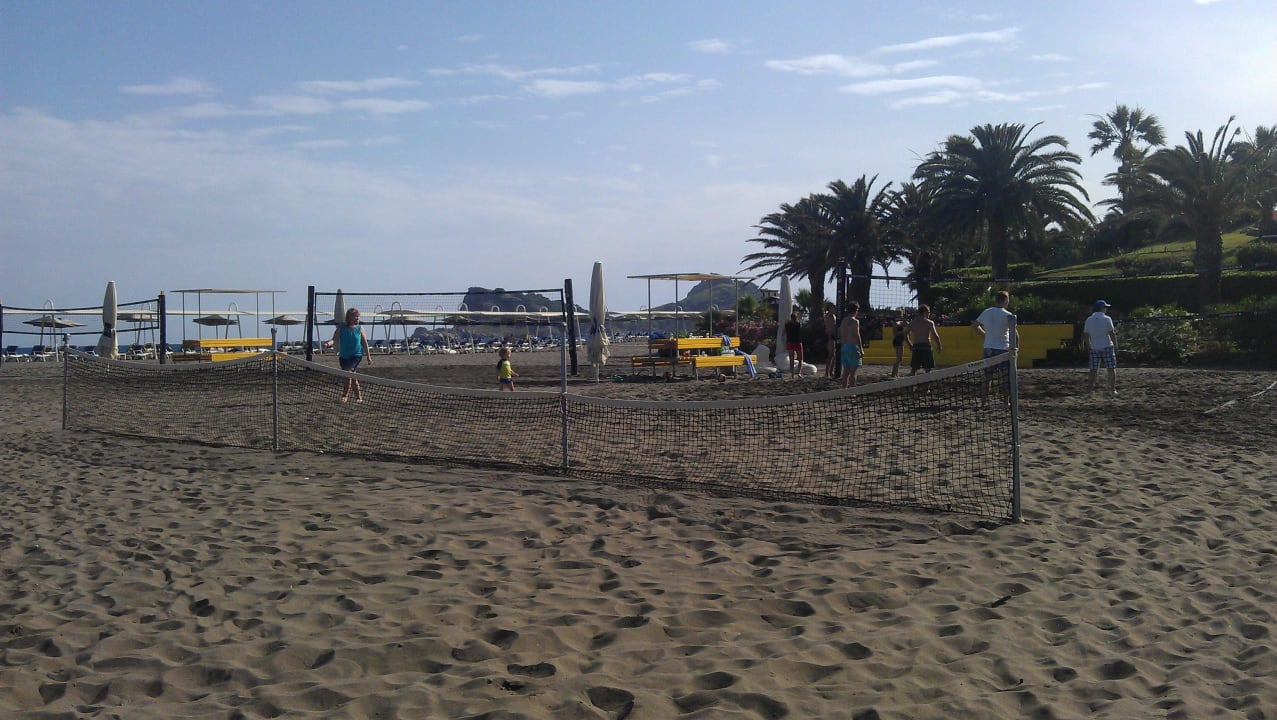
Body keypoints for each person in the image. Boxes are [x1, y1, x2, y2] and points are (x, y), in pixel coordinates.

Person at [323, 307, 372, 403]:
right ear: (349, 317)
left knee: (348, 374)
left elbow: (364, 342)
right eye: (355, 317)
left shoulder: (360, 328)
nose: (357, 319)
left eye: (358, 317)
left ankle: (344, 396)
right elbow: (334, 340)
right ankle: (359, 397)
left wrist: (368, 357)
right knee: (352, 377)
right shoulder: (341, 328)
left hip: (356, 356)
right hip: (344, 357)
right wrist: (327, 344)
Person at [1083, 300, 1118, 395]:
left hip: (1094, 346)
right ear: (1102, 308)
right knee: (1111, 368)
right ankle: (1112, 389)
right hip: (1107, 345)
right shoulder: (1107, 319)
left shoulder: (1089, 319)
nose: (1106, 309)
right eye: (1105, 307)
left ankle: (1089, 389)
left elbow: (1086, 335)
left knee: (1093, 369)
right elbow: (1112, 333)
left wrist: (1088, 346)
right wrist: (1115, 345)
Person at [972, 290, 1019, 358]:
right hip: (1003, 347)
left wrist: (985, 334)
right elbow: (1015, 333)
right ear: (1006, 300)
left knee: (989, 368)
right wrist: (1016, 348)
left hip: (988, 347)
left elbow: (975, 325)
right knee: (1003, 368)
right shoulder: (1008, 315)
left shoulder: (986, 312)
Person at [906, 305, 944, 376]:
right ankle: (926, 386)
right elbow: (935, 335)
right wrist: (939, 345)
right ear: (925, 312)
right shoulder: (929, 322)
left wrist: (909, 344)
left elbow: (905, 334)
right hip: (926, 346)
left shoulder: (912, 323)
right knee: (927, 370)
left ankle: (910, 385)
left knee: (913, 369)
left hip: (916, 346)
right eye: (929, 312)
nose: (929, 314)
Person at [838, 301, 863, 388]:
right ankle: (852, 391)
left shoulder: (843, 321)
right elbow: (857, 335)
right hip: (853, 346)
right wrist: (861, 349)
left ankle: (844, 390)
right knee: (853, 372)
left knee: (846, 371)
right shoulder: (855, 321)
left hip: (844, 346)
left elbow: (840, 333)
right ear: (856, 310)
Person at [784, 311, 804, 378]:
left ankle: (792, 374)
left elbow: (784, 332)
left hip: (790, 342)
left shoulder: (787, 324)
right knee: (800, 359)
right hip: (797, 341)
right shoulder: (798, 324)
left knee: (791, 359)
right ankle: (799, 373)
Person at [822, 301, 838, 378]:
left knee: (833, 355)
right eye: (833, 308)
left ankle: (830, 372)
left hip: (833, 336)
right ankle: (827, 372)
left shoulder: (834, 316)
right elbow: (828, 328)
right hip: (830, 337)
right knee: (831, 354)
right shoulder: (828, 316)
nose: (834, 309)